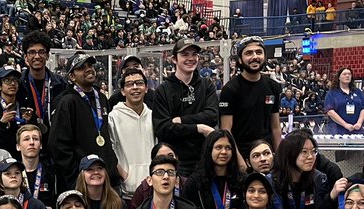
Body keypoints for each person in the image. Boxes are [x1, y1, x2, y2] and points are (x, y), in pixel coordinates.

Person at [151, 36, 220, 173]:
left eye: (194, 54)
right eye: (184, 54)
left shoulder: (206, 85)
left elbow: (212, 116)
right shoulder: (163, 90)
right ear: (174, 59)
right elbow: (164, 128)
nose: (191, 58)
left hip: (204, 160)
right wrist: (199, 128)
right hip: (176, 164)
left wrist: (182, 120)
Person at [52, 53, 118, 188]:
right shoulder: (67, 101)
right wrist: (76, 174)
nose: (88, 69)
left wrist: (112, 168)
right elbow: (58, 144)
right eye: (81, 67)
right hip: (82, 180)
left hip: (106, 177)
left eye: (90, 65)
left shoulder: (102, 98)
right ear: (72, 76)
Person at [219, 36, 282, 162]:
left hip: (266, 153)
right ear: (240, 60)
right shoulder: (230, 89)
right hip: (241, 155)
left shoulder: (273, 86)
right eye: (248, 53)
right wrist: (240, 163)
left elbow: (275, 126)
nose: (255, 57)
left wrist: (281, 158)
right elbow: (226, 130)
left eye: (259, 52)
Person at [110, 66, 155, 199]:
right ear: (123, 91)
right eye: (129, 84)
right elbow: (110, 150)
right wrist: (125, 176)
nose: (135, 87)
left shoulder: (154, 116)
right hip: (127, 193)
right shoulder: (114, 117)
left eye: (139, 83)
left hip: (154, 189)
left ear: (146, 88)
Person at [16, 30, 64, 130]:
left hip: (54, 140)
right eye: (32, 52)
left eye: (41, 52)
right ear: (26, 57)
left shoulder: (61, 84)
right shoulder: (18, 85)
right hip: (28, 141)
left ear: (47, 55)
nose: (37, 56)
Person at [16, 123, 56, 209]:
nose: (31, 142)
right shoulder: (13, 173)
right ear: (18, 146)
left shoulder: (51, 171)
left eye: (35, 139)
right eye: (26, 139)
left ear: (41, 145)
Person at [323, 67, 364, 136]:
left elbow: (363, 108)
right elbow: (330, 112)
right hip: (338, 131)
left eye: (349, 74)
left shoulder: (358, 92)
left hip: (356, 130)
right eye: (344, 74)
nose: (347, 76)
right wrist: (345, 125)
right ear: (339, 77)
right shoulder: (332, 93)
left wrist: (359, 123)